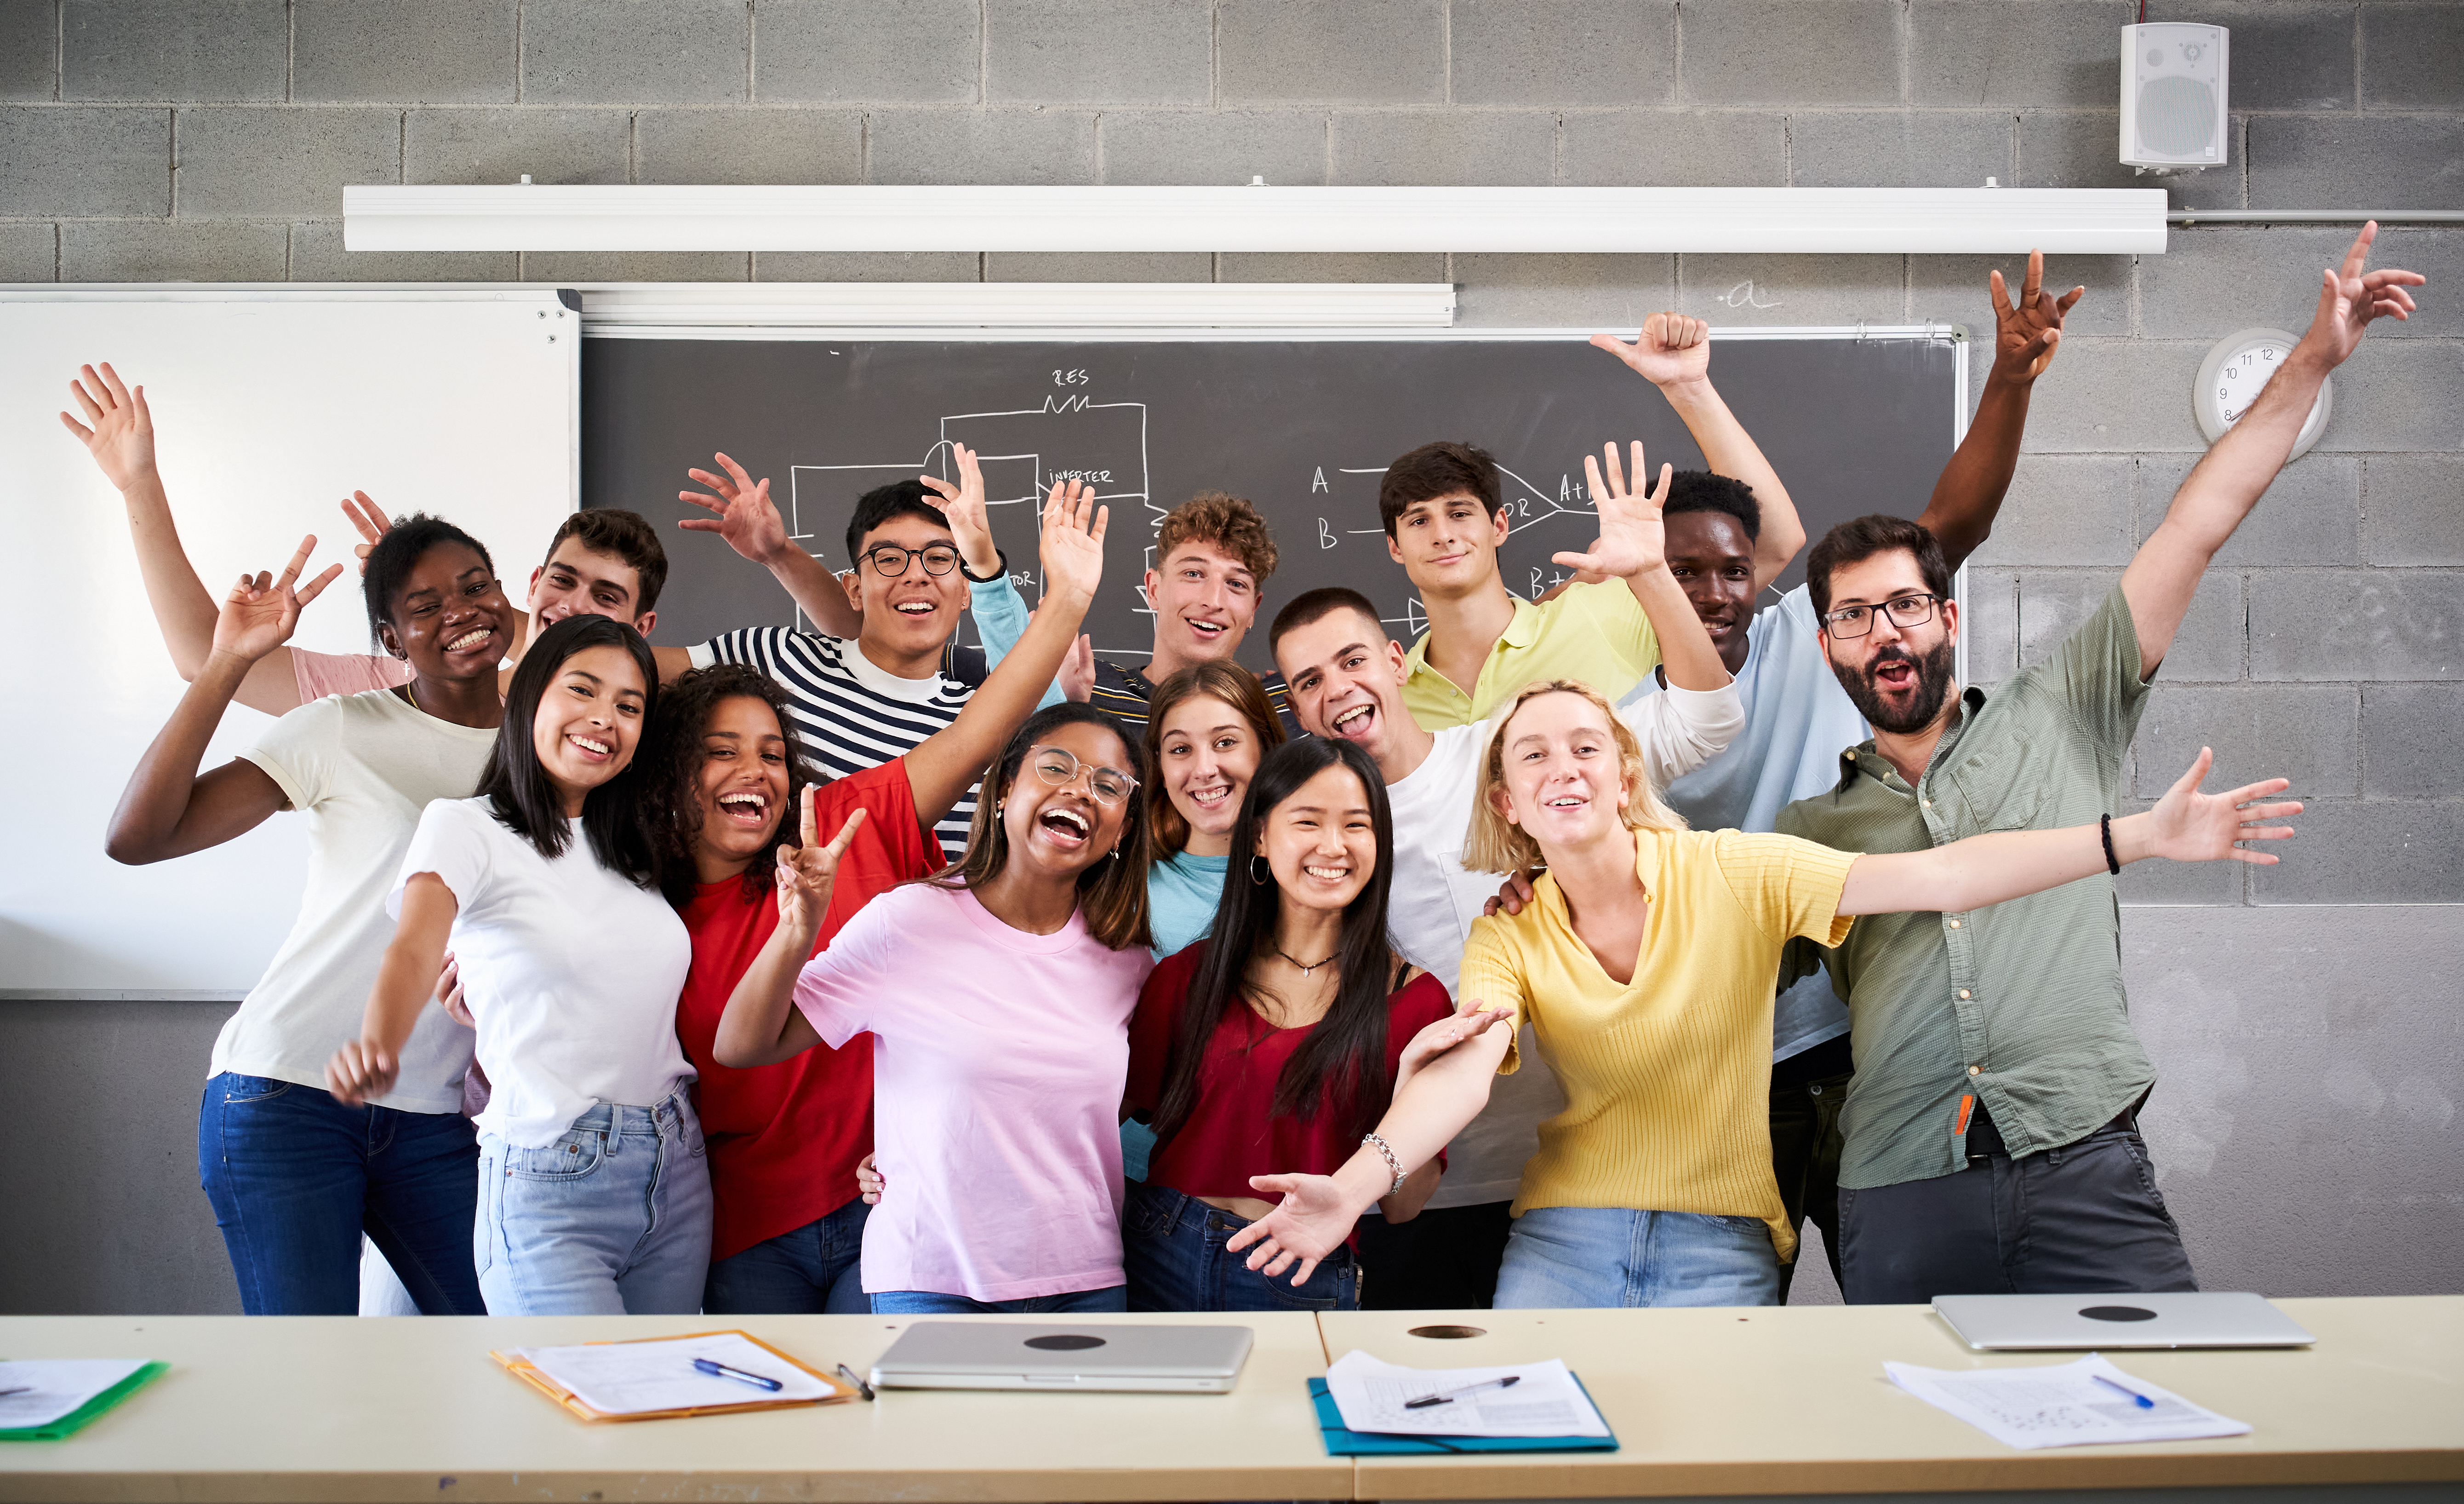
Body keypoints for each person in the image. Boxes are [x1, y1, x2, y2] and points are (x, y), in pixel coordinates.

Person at [1774, 224, 2422, 1305]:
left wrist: (2310, 358)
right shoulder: (1808, 832)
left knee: (2160, 1435)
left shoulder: (2061, 709)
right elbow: (1689, 961)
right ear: (1826, 644)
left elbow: (2197, 522)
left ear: (1944, 616)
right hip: (1896, 1182)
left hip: (2082, 1159)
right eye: (1851, 616)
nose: (1882, 633)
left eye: (1901, 605)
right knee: (1919, 1463)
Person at [1220, 678, 2298, 1305]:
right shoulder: (1512, 928)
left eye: (1585, 745)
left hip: (1717, 1242)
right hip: (1560, 1243)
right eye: (1533, 754)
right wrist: (1359, 1184)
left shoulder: (1734, 871)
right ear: (1507, 801)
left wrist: (2137, 838)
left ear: (1622, 770)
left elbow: (1941, 876)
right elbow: (1459, 1066)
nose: (1564, 767)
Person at [1530, 256, 2082, 1297]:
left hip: (1863, 1041)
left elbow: (1948, 529)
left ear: (1761, 575)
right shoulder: (1613, 718)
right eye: (1679, 571)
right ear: (1642, 574)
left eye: (1730, 570)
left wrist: (2008, 380)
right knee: (1732, 1310)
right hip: (1720, 1066)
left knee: (1914, 1297)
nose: (1711, 592)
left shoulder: (1812, 635)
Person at [1268, 440, 1744, 1309]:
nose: (1336, 690)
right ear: (1293, 709)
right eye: (1307, 682)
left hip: (1576, 1173)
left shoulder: (1503, 757)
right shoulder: (1313, 840)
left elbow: (1705, 721)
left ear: (1390, 657)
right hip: (1422, 1181)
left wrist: (1648, 576)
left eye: (1349, 661)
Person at [642, 480, 1108, 1315]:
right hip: (743, 1220)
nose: (751, 772)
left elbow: (979, 735)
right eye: (719, 753)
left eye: (772, 755)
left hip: (883, 1197)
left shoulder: (853, 828)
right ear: (678, 773)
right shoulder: (642, 905)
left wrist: (1065, 600)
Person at [104, 519, 510, 1315]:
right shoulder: (342, 728)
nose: (460, 611)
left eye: (474, 587)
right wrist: (227, 662)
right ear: (392, 638)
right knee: (311, 1382)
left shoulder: (548, 749)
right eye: (424, 606)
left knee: (501, 1343)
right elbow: (139, 836)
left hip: (432, 1115)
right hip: (286, 1094)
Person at [718, 696, 1155, 1314]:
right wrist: (797, 929)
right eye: (1056, 767)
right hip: (933, 1280)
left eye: (1109, 785)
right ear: (1005, 788)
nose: (1081, 790)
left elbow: (1092, 1111)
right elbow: (741, 1043)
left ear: (1122, 827)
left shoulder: (1128, 963)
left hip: (1084, 1283)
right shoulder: (909, 919)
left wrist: (932, 1139)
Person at [325, 614, 703, 1317]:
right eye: (582, 691)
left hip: (676, 1168)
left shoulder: (637, 845)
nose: (604, 719)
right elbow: (415, 942)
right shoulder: (466, 825)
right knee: (582, 1408)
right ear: (529, 695)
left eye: (629, 705)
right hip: (552, 1169)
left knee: (663, 1408)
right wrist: (380, 1039)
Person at [61, 360, 681, 717]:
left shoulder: (646, 721)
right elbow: (202, 656)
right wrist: (139, 485)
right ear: (531, 584)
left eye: (606, 597)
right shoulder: (404, 692)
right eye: (562, 581)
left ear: (641, 627)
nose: (572, 605)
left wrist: (445, 605)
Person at [1121, 738, 1471, 1312]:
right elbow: (1102, 1120)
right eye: (1307, 821)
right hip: (1162, 1248)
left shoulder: (1417, 1002)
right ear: (1260, 835)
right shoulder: (1189, 976)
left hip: (1300, 1268)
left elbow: (1405, 1208)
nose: (1332, 846)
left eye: (1356, 826)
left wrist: (1410, 1084)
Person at [1384, 314, 1801, 732]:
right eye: (1418, 521)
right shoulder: (1392, 696)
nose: (1443, 535)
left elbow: (1771, 542)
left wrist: (1688, 388)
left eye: (1459, 514)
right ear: (1395, 546)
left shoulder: (1605, 613)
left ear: (1499, 526)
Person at [679, 442, 1078, 856]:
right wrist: (778, 554)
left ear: (966, 593)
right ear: (853, 589)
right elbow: (628, 679)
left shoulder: (986, 724)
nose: (916, 577)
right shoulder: (776, 657)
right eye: (889, 559)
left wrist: (990, 571)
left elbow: (1061, 752)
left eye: (940, 558)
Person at [1142, 661, 1289, 960]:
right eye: (1180, 749)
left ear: (1265, 748)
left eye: (1225, 743)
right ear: (1160, 766)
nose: (1204, 770)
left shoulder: (1310, 874)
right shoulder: (1126, 885)